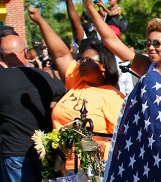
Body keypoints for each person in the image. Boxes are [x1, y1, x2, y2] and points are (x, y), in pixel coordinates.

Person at [0, 31, 67, 182]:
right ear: (24, 53)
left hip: (15, 152)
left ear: (2, 57)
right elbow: (62, 94)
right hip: (43, 148)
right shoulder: (40, 75)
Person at [27, 7, 125, 137]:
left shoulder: (115, 98)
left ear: (103, 66)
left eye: (88, 60)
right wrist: (40, 21)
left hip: (99, 156)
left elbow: (120, 140)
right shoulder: (78, 81)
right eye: (80, 59)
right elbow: (60, 54)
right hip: (63, 157)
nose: (81, 63)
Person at [79, 0, 161, 89]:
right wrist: (89, 7)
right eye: (147, 43)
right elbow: (111, 41)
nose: (151, 47)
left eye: (156, 43)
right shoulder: (146, 66)